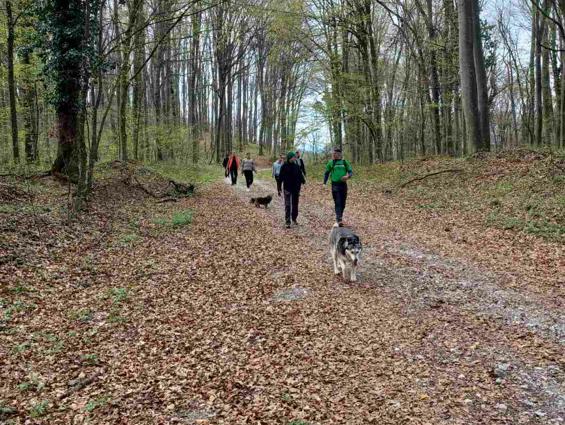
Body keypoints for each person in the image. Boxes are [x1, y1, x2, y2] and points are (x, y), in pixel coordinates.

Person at [323, 147, 353, 227]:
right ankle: (339, 219)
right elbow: (326, 173)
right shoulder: (331, 163)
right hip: (335, 185)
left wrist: (347, 176)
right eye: (333, 153)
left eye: (334, 153)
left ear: (339, 154)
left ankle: (340, 217)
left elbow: (350, 172)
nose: (333, 155)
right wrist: (324, 183)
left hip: (343, 185)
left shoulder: (344, 162)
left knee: (343, 203)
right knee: (337, 201)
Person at [279, 151, 306, 229]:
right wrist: (279, 188)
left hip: (296, 189)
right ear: (289, 158)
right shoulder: (284, 166)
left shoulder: (296, 166)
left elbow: (300, 175)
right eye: (293, 157)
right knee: (288, 205)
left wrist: (303, 181)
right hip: (287, 188)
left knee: (295, 205)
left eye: (295, 157)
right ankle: (287, 222)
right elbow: (280, 178)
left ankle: (294, 218)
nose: (295, 158)